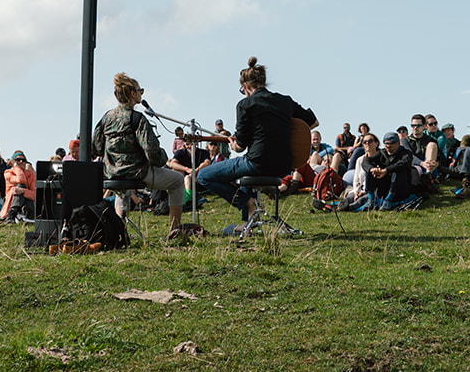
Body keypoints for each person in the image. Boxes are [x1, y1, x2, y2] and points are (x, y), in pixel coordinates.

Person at [197, 57, 318, 232]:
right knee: (245, 171)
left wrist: (233, 145)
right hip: (284, 165)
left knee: (204, 176)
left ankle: (248, 202)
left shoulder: (245, 104)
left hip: (258, 162)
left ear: (246, 86)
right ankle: (248, 222)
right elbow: (313, 122)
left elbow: (240, 146)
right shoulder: (285, 101)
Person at [92, 72, 192, 240]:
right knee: (177, 181)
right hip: (137, 172)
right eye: (140, 91)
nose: (141, 94)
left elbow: (96, 147)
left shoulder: (106, 118)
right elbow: (152, 152)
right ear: (132, 94)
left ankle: (120, 232)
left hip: (112, 173)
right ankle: (175, 230)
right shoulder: (137, 118)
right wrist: (163, 158)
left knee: (121, 192)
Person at [0, 151, 36, 223]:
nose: (21, 161)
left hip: (27, 203)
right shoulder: (8, 173)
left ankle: (15, 212)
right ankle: (13, 211)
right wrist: (16, 166)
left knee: (21, 189)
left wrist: (23, 191)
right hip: (11, 203)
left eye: (23, 160)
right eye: (18, 160)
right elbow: (21, 180)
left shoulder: (31, 174)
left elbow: (35, 195)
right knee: (20, 186)